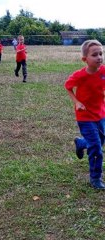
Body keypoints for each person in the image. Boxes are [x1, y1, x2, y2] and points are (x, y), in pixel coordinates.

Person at [64, 39, 105, 190]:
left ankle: (81, 143)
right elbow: (68, 87)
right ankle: (95, 177)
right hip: (85, 117)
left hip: (100, 114)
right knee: (96, 147)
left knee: (100, 141)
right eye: (95, 55)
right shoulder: (79, 76)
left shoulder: (103, 71)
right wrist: (76, 101)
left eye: (101, 53)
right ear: (85, 59)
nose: (99, 57)